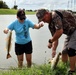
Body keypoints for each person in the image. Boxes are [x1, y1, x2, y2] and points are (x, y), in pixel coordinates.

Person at [36, 9, 76, 75]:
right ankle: (65, 66)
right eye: (42, 20)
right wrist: (53, 50)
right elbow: (55, 38)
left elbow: (59, 32)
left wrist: (50, 41)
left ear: (47, 13)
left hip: (75, 29)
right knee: (64, 52)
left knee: (71, 49)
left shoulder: (55, 15)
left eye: (43, 19)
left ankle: (72, 71)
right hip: (70, 32)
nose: (44, 21)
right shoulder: (50, 25)